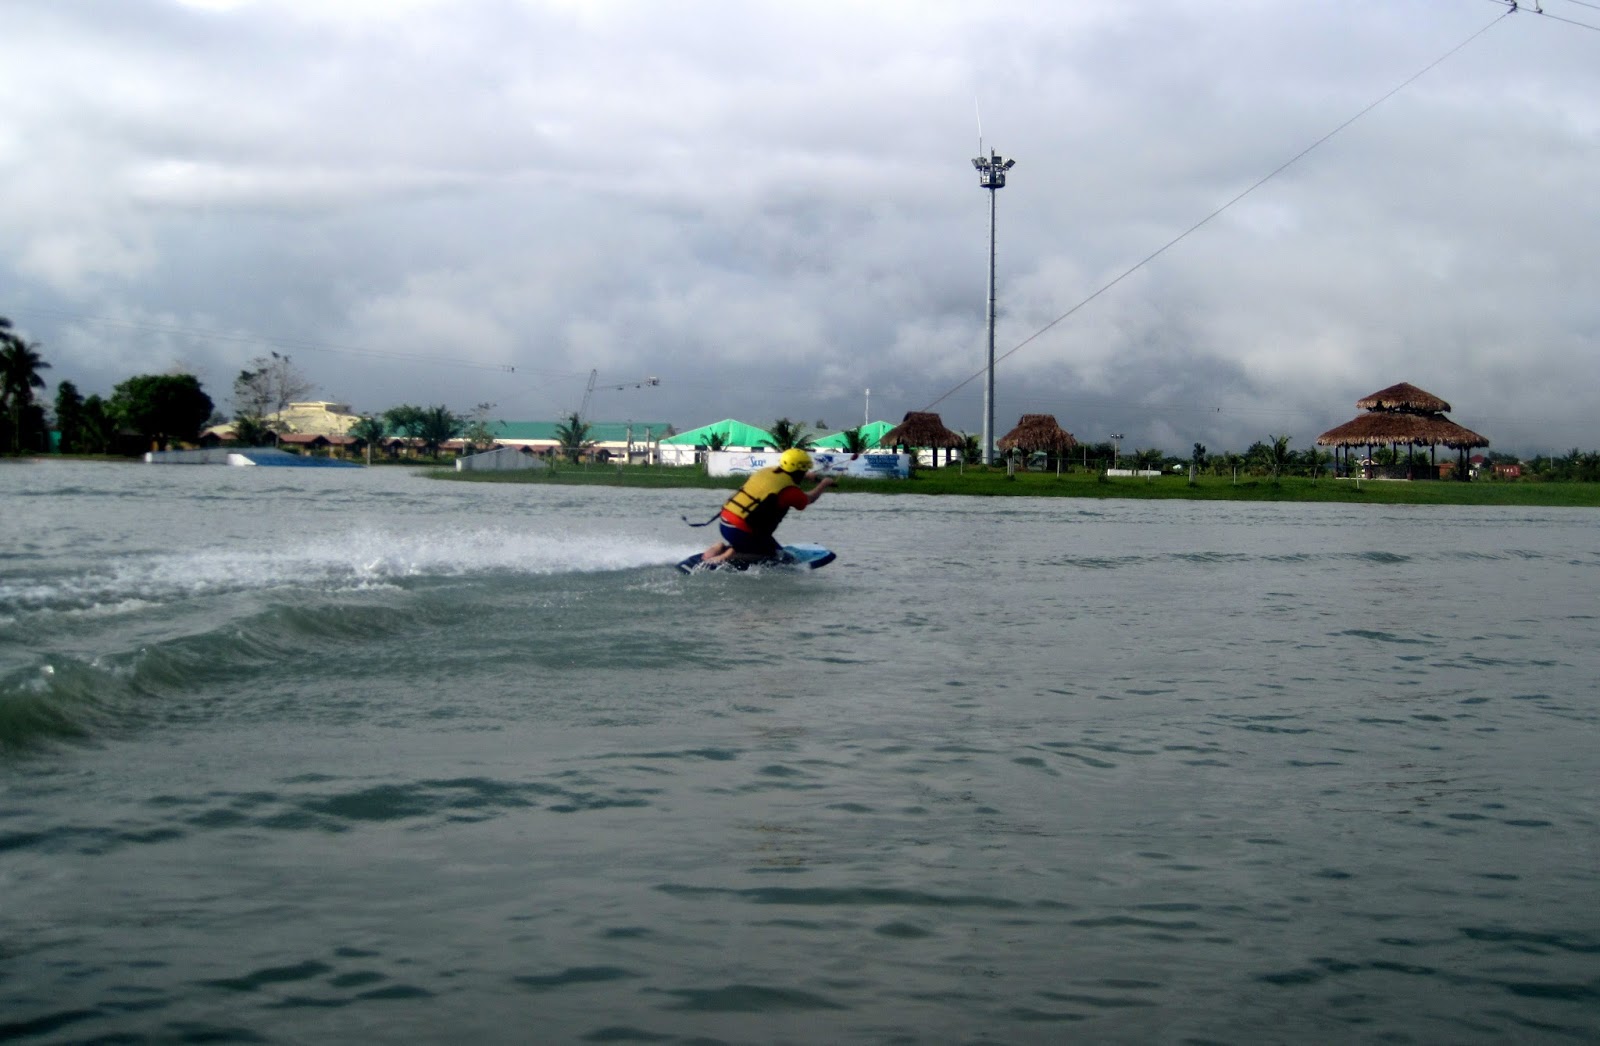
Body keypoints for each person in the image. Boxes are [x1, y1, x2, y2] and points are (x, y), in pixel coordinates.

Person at [701, 448, 835, 567]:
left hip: (725, 522)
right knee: (773, 556)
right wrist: (823, 484)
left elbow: (787, 476)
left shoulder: (767, 471)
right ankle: (728, 555)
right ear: (799, 471)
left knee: (763, 546)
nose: (806, 472)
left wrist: (806, 476)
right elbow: (808, 500)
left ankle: (718, 547)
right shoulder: (790, 491)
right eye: (805, 470)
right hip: (742, 531)